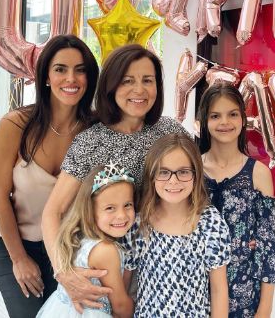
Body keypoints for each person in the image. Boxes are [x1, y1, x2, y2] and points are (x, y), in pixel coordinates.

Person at [42, 44, 188, 312]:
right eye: (127, 81)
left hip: (162, 267)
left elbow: (195, 179)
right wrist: (64, 272)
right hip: (109, 270)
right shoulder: (91, 141)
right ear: (110, 86)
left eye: (148, 80)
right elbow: (53, 211)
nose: (139, 90)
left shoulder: (169, 131)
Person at [0, 34, 99, 318]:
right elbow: (0, 196)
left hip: (68, 249)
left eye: (80, 69)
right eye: (60, 69)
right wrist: (19, 259)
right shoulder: (15, 124)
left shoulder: (97, 130)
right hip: (14, 242)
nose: (70, 78)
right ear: (46, 76)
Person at [123, 133, 231, 317]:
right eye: (164, 172)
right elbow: (124, 285)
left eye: (183, 171)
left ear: (196, 174)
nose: (173, 181)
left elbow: (219, 290)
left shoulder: (210, 222)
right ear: (152, 175)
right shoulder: (140, 223)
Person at [198, 83, 275, 318]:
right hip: (195, 289)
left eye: (233, 114)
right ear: (205, 121)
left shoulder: (259, 173)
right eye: (215, 115)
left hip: (244, 293)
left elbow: (267, 244)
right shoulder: (191, 169)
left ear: (243, 119)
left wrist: (265, 308)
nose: (225, 122)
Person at [37, 163, 135, 318]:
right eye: (110, 208)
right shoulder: (105, 250)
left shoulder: (77, 236)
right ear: (90, 210)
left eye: (128, 205)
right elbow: (120, 305)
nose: (122, 215)